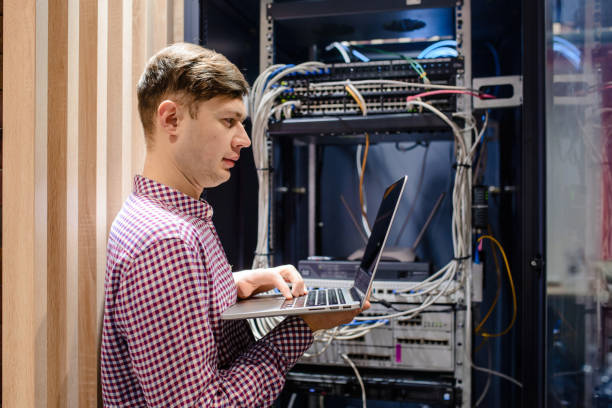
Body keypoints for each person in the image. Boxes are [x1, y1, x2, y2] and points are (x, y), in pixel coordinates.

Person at [101, 42, 369, 407]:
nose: (243, 139)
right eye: (229, 121)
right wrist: (304, 326)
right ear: (171, 119)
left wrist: (230, 285)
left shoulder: (174, 219)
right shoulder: (166, 241)